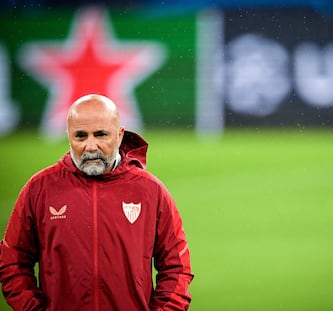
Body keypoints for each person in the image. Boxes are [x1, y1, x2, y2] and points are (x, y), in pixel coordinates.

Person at [0, 94, 194, 310]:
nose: (91, 146)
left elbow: (177, 268)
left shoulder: (151, 191)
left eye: (101, 135)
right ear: (68, 136)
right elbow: (12, 263)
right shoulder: (39, 189)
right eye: (80, 136)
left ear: (120, 135)